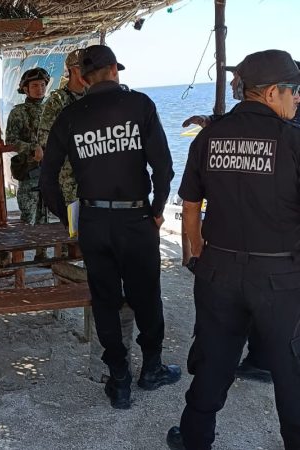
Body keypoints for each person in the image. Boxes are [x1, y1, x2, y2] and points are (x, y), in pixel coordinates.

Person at [167, 49, 300, 450]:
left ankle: (195, 439)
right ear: (272, 92)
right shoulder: (292, 140)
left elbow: (190, 204)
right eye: (293, 89)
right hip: (280, 278)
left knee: (214, 359)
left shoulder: (210, 136)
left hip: (218, 270)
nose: (298, 97)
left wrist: (196, 253)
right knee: (291, 371)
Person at [40, 44, 180, 410]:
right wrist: (157, 210)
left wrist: (69, 218)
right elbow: (163, 168)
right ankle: (151, 368)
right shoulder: (139, 105)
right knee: (147, 295)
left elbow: (47, 179)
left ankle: (119, 379)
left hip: (94, 221)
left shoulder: (70, 116)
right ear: (115, 70)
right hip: (136, 219)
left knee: (105, 301)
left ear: (83, 77)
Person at [181, 70, 273, 384]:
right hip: (263, 244)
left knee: (227, 308)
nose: (233, 83)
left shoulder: (287, 126)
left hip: (239, 243)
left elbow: (190, 204)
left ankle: (217, 365)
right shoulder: (280, 127)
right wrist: (212, 121)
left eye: (237, 79)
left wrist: (197, 249)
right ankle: (254, 360)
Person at [37, 49, 86, 205]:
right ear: (74, 70)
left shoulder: (93, 96)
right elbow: (45, 140)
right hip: (70, 180)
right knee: (74, 219)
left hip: (92, 177)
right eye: (86, 67)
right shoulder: (57, 101)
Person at [6, 67, 49, 226]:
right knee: (29, 218)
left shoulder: (49, 109)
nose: (40, 89)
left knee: (46, 220)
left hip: (49, 171)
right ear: (26, 89)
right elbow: (10, 141)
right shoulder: (18, 113)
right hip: (30, 173)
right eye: (35, 86)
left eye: (42, 85)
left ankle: (43, 245)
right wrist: (32, 148)